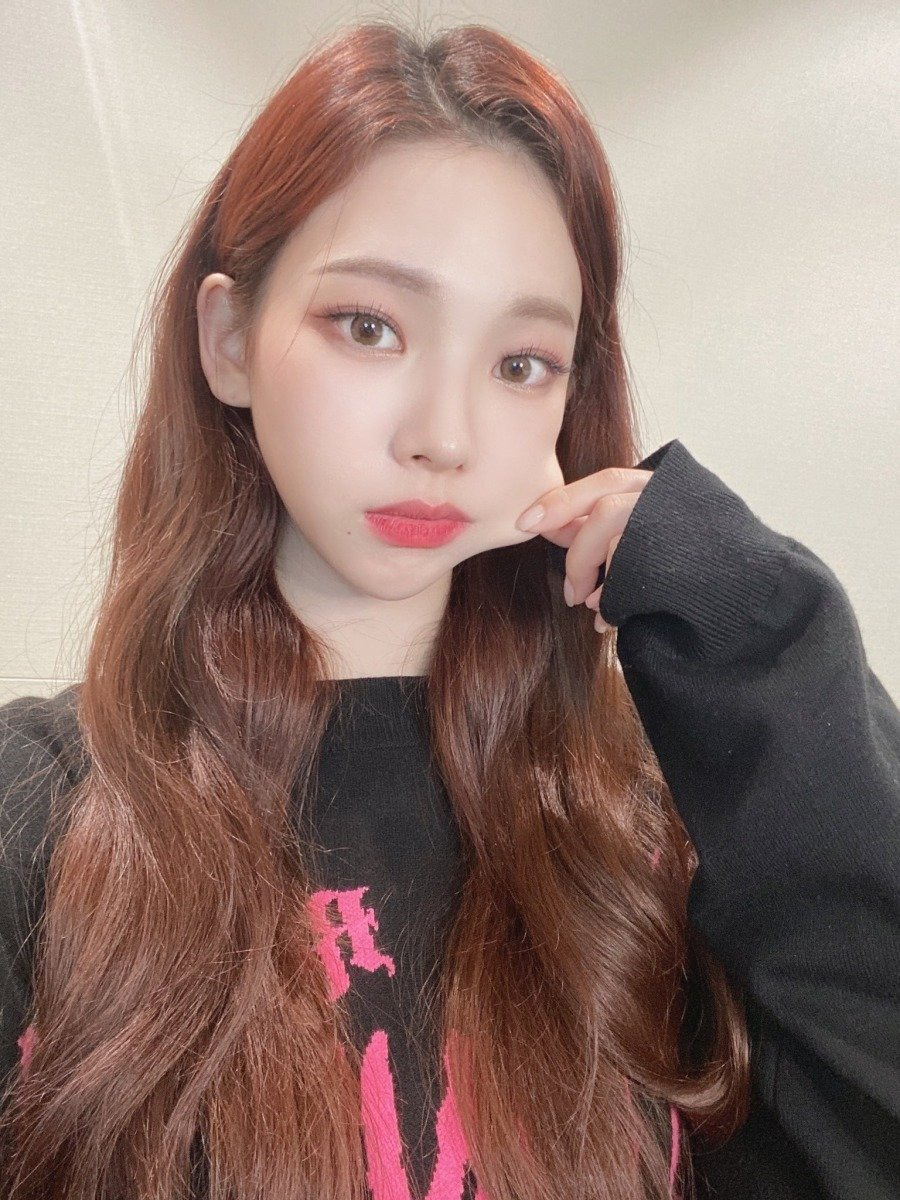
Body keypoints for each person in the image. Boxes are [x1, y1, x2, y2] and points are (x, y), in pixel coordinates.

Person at [0, 17, 897, 1200]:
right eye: (369, 327)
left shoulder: (638, 817)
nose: (444, 436)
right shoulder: (46, 812)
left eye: (520, 362)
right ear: (228, 340)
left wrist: (758, 626)